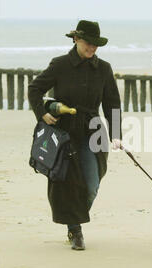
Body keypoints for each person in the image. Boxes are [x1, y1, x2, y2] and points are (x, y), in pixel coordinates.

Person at [28, 20, 122, 251]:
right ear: (77, 39)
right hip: (65, 133)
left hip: (94, 131)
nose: (92, 48)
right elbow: (35, 89)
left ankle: (75, 217)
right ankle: (75, 229)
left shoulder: (104, 69)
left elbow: (112, 104)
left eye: (96, 45)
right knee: (67, 183)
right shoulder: (60, 65)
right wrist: (41, 114)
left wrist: (116, 133)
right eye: (89, 43)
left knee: (91, 184)